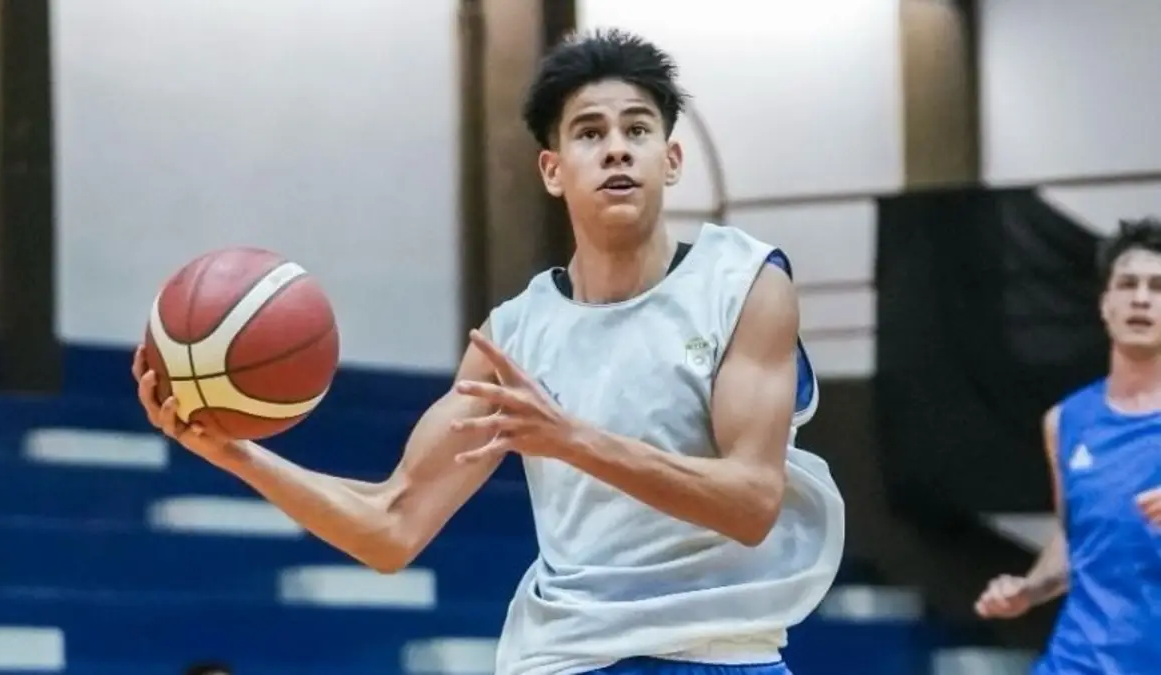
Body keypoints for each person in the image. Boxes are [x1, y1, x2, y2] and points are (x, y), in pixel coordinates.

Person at [131, 29, 844, 675]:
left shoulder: (744, 283)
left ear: (672, 159)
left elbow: (751, 502)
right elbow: (391, 528)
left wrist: (572, 440)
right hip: (566, 659)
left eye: (638, 129)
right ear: (552, 170)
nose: (617, 148)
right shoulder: (513, 336)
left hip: (719, 654)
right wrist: (236, 454)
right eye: (589, 133)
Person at [975, 218, 1161, 673]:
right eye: (1128, 284)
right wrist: (1031, 589)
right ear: (1105, 303)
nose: (1141, 298)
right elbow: (1072, 537)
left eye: (1158, 287)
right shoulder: (1066, 421)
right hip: (1076, 661)